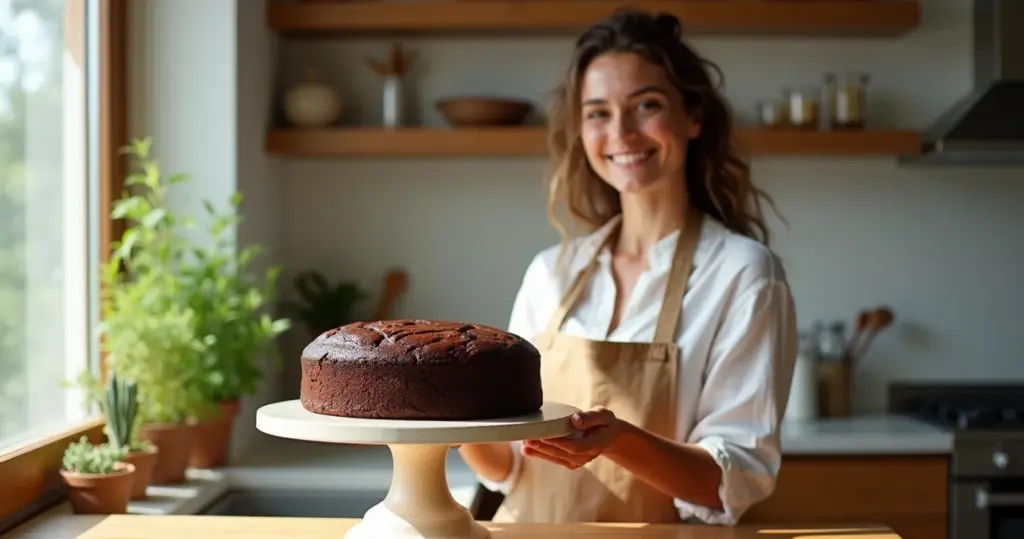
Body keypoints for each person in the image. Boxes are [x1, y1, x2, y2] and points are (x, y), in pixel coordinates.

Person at [458, 8, 798, 527]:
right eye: (598, 112)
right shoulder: (552, 272)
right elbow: (506, 467)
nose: (622, 132)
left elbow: (728, 484)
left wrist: (619, 441)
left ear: (693, 117)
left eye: (647, 105)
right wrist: (454, 419)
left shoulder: (743, 274)